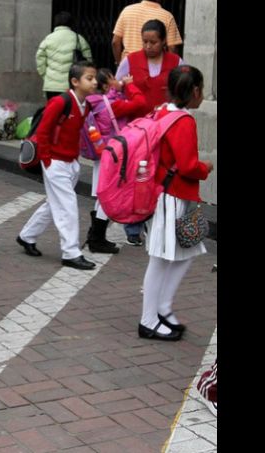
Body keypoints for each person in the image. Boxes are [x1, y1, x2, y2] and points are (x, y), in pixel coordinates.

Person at [138, 65, 213, 341]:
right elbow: (187, 165)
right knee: (160, 260)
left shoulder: (162, 112)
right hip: (173, 197)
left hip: (167, 195)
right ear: (194, 91)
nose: (202, 94)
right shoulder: (183, 121)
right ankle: (148, 319)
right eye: (201, 89)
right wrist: (205, 168)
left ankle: (163, 310)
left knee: (183, 253)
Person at [16, 62, 98, 270]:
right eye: (89, 78)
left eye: (94, 78)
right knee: (68, 206)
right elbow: (43, 131)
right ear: (75, 81)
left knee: (54, 204)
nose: (94, 82)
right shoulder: (60, 102)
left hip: (70, 162)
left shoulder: (85, 104)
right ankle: (71, 253)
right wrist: (47, 159)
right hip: (55, 162)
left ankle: (27, 236)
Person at [116, 19, 184, 245]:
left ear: (164, 41)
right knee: (138, 177)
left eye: (153, 42)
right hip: (138, 131)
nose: (148, 46)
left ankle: (154, 219)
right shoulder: (130, 60)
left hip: (166, 130)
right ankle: (133, 227)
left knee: (160, 176)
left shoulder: (176, 62)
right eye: (145, 42)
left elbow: (182, 91)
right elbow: (117, 89)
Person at [84, 68, 146, 253]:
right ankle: (96, 238)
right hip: (112, 156)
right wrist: (129, 85)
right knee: (107, 196)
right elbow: (140, 102)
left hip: (100, 153)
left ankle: (95, 235)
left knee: (102, 195)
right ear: (104, 85)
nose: (117, 79)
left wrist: (118, 88)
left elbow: (112, 98)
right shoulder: (112, 105)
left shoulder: (96, 102)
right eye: (112, 78)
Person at [112, 0, 183, 64]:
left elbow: (115, 42)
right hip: (155, 66)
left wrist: (120, 62)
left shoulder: (127, 11)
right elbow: (172, 47)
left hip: (129, 65)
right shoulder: (167, 16)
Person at [36, 11, 93, 101]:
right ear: (71, 23)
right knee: (70, 112)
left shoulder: (48, 38)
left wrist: (46, 75)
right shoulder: (78, 38)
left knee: (53, 112)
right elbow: (88, 61)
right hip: (71, 85)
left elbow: (39, 59)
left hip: (51, 85)